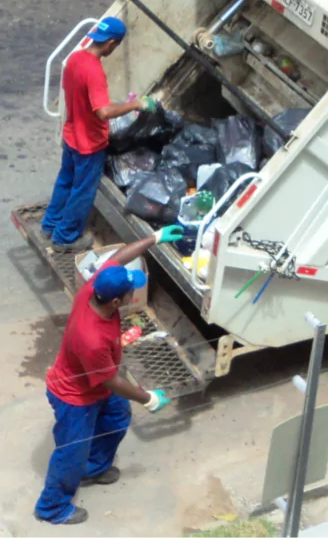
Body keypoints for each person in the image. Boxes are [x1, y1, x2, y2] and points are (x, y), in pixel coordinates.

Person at [34, 225, 183, 525]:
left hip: (98, 384)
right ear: (116, 302)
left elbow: (118, 257)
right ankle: (52, 508)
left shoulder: (95, 289)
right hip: (74, 397)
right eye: (131, 290)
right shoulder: (92, 338)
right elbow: (109, 380)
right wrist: (148, 398)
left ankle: (94, 467)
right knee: (70, 454)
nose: (133, 291)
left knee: (116, 419)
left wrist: (154, 238)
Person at [41, 16, 156, 253]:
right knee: (82, 192)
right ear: (112, 43)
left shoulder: (75, 59)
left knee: (65, 182)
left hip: (71, 135)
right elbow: (103, 112)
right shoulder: (94, 71)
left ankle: (50, 224)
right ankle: (65, 238)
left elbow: (75, 94)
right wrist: (135, 106)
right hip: (89, 144)